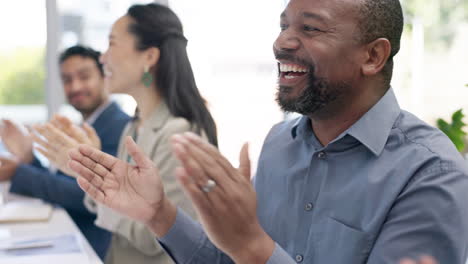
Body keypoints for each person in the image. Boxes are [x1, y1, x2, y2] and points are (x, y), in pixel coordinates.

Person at [68, 0, 468, 263]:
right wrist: (159, 214)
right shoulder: (280, 144)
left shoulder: (430, 174)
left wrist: (253, 247)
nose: (281, 42)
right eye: (283, 26)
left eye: (310, 29)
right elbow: (231, 259)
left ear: (373, 55)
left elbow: (250, 252)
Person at [41, 3, 217, 264]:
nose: (103, 58)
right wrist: (88, 169)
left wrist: (94, 173)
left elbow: (155, 236)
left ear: (149, 57)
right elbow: (121, 212)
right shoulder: (133, 127)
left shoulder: (179, 134)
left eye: (112, 44)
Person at [0, 45, 131, 260]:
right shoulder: (87, 125)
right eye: (67, 80)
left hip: (98, 247)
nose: (75, 86)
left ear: (104, 77)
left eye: (84, 76)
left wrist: (18, 172)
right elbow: (62, 182)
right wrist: (28, 156)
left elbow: (86, 196)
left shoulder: (120, 127)